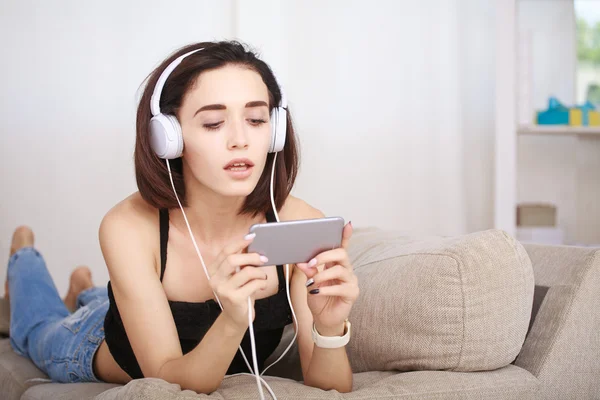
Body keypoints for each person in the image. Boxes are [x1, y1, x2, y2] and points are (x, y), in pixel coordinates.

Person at [4, 40, 359, 394]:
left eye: (255, 119)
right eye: (213, 123)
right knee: (38, 328)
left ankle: (85, 290)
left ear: (275, 131)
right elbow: (169, 381)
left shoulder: (297, 221)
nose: (240, 139)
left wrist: (328, 328)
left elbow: (329, 387)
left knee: (107, 298)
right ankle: (23, 256)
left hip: (138, 304)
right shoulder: (128, 226)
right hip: (92, 341)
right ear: (168, 137)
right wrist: (234, 318)